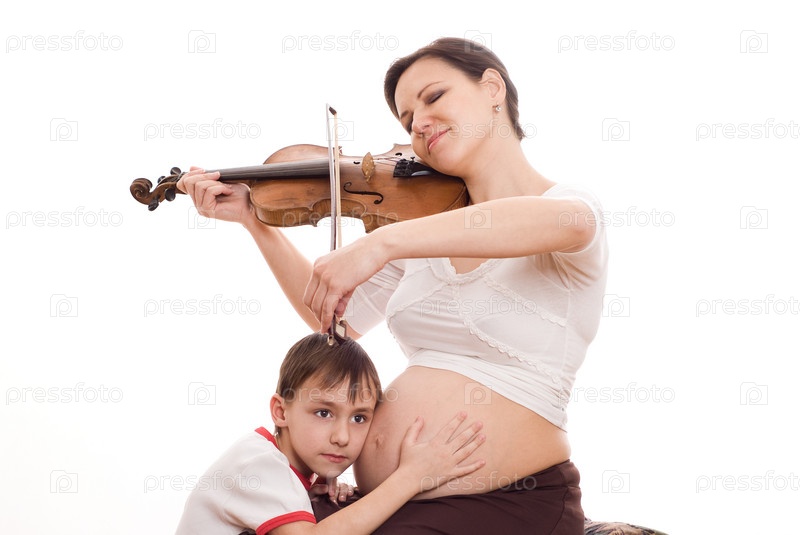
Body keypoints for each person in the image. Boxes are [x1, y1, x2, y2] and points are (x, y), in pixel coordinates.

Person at [179, 37, 608, 533]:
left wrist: (381, 243)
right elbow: (332, 312)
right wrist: (257, 224)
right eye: (407, 120)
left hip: (506, 501)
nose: (419, 123)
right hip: (398, 499)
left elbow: (566, 223)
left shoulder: (568, 208)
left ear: (492, 87)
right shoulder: (420, 226)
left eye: (434, 96)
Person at [175, 332, 486, 535]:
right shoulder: (257, 463)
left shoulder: (284, 470)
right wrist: (411, 476)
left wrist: (311, 492)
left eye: (359, 418)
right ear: (281, 412)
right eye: (323, 413)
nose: (342, 437)